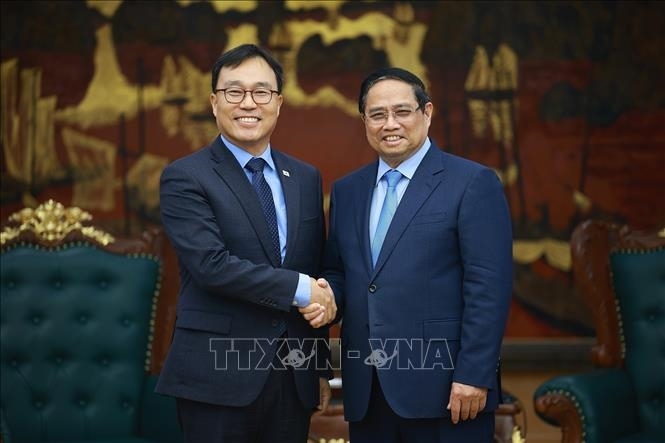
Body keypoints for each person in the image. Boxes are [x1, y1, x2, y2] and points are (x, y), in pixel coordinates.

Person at [313, 67, 513, 442]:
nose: (390, 124)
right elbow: (339, 272)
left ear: (427, 112)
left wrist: (474, 374)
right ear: (364, 121)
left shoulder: (472, 182)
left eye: (402, 111)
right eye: (377, 114)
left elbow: (489, 288)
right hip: (368, 391)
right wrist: (325, 296)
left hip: (448, 391)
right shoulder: (347, 191)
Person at [156, 43, 336, 443]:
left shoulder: (305, 178)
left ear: (279, 103)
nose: (248, 103)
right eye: (234, 91)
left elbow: (316, 270)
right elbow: (212, 266)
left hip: (293, 377)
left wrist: (319, 368)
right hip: (216, 378)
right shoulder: (186, 177)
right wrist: (301, 288)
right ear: (214, 102)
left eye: (261, 92)